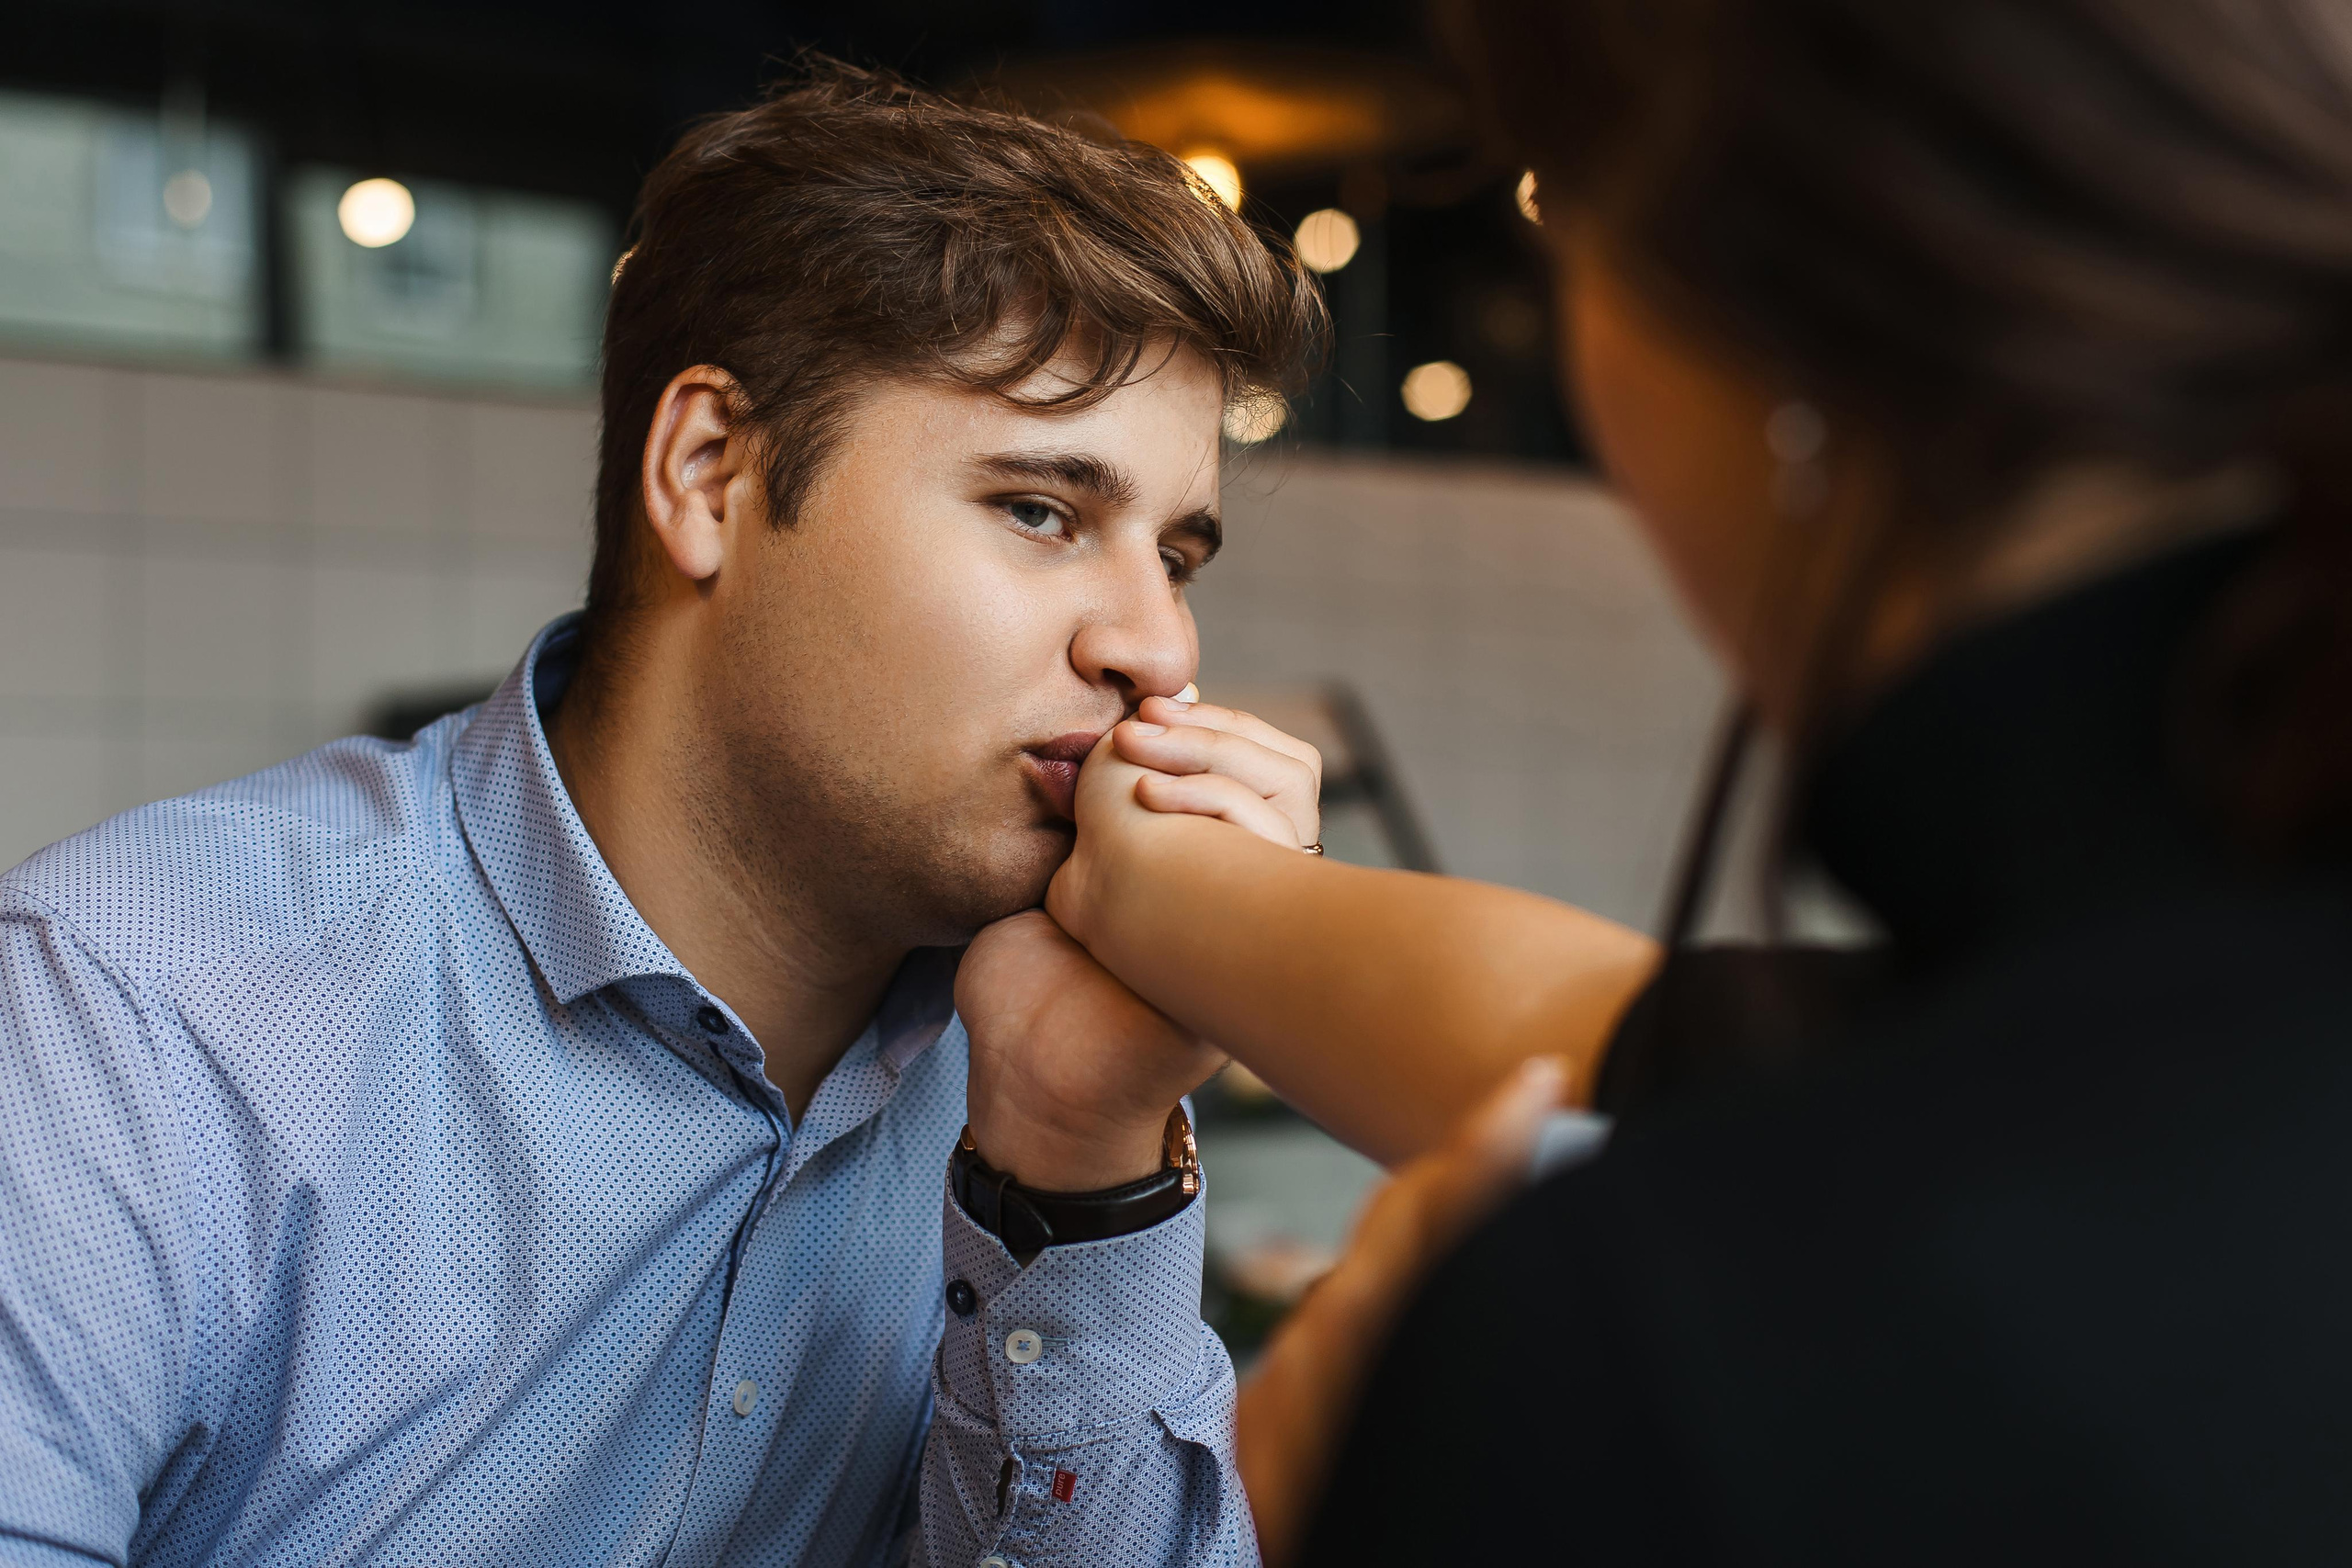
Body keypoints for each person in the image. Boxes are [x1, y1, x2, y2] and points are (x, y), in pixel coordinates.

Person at [1040, 0, 2352, 1561]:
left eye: (1559, 213)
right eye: (1038, 513)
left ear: (1757, 312)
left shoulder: (1657, 1339)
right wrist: (1162, 888)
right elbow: (1634, 1036)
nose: (1146, 642)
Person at [0, 65, 1329, 1567]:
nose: (1159, 649)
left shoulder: (1037, 1061)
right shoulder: (133, 1005)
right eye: (1042, 511)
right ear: (711, 475)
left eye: (1180, 556)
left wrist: (1084, 1157)